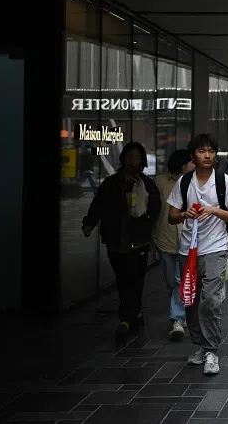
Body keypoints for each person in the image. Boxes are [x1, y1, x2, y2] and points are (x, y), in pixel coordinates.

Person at [167, 134, 228, 376]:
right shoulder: (184, 182)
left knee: (210, 299)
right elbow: (171, 216)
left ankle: (211, 350)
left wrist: (214, 210)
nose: (207, 155)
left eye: (211, 151)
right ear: (193, 155)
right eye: (202, 151)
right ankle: (200, 345)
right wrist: (185, 214)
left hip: (215, 249)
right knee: (190, 300)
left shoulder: (224, 182)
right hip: (187, 250)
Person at [82, 142, 161, 342]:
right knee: (123, 279)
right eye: (129, 156)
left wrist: (144, 211)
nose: (132, 161)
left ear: (142, 162)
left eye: (137, 157)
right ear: (123, 159)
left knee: (136, 279)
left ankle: (125, 318)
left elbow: (155, 209)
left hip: (139, 241)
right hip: (115, 241)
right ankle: (135, 312)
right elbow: (98, 204)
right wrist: (89, 224)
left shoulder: (147, 184)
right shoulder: (111, 183)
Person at [153, 149, 196, 341]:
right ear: (182, 165)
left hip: (186, 241)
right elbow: (154, 209)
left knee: (179, 281)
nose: (195, 165)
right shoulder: (160, 182)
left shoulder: (195, 183)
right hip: (165, 238)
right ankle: (182, 312)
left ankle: (177, 319)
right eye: (191, 162)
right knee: (171, 282)